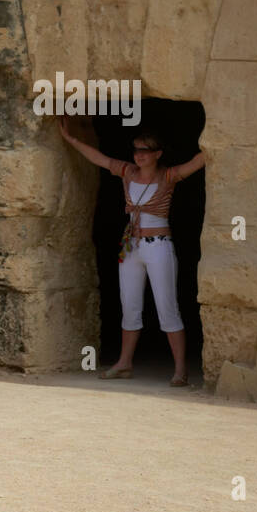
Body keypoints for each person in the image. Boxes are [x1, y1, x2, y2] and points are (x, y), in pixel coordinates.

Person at [58, 117, 206, 387]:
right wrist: (73, 140)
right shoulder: (127, 172)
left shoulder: (168, 176)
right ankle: (125, 363)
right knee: (130, 306)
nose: (139, 155)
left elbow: (197, 162)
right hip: (131, 248)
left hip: (159, 246)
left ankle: (181, 369)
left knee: (167, 308)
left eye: (145, 151)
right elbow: (99, 158)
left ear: (157, 154)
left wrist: (218, 140)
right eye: (136, 149)